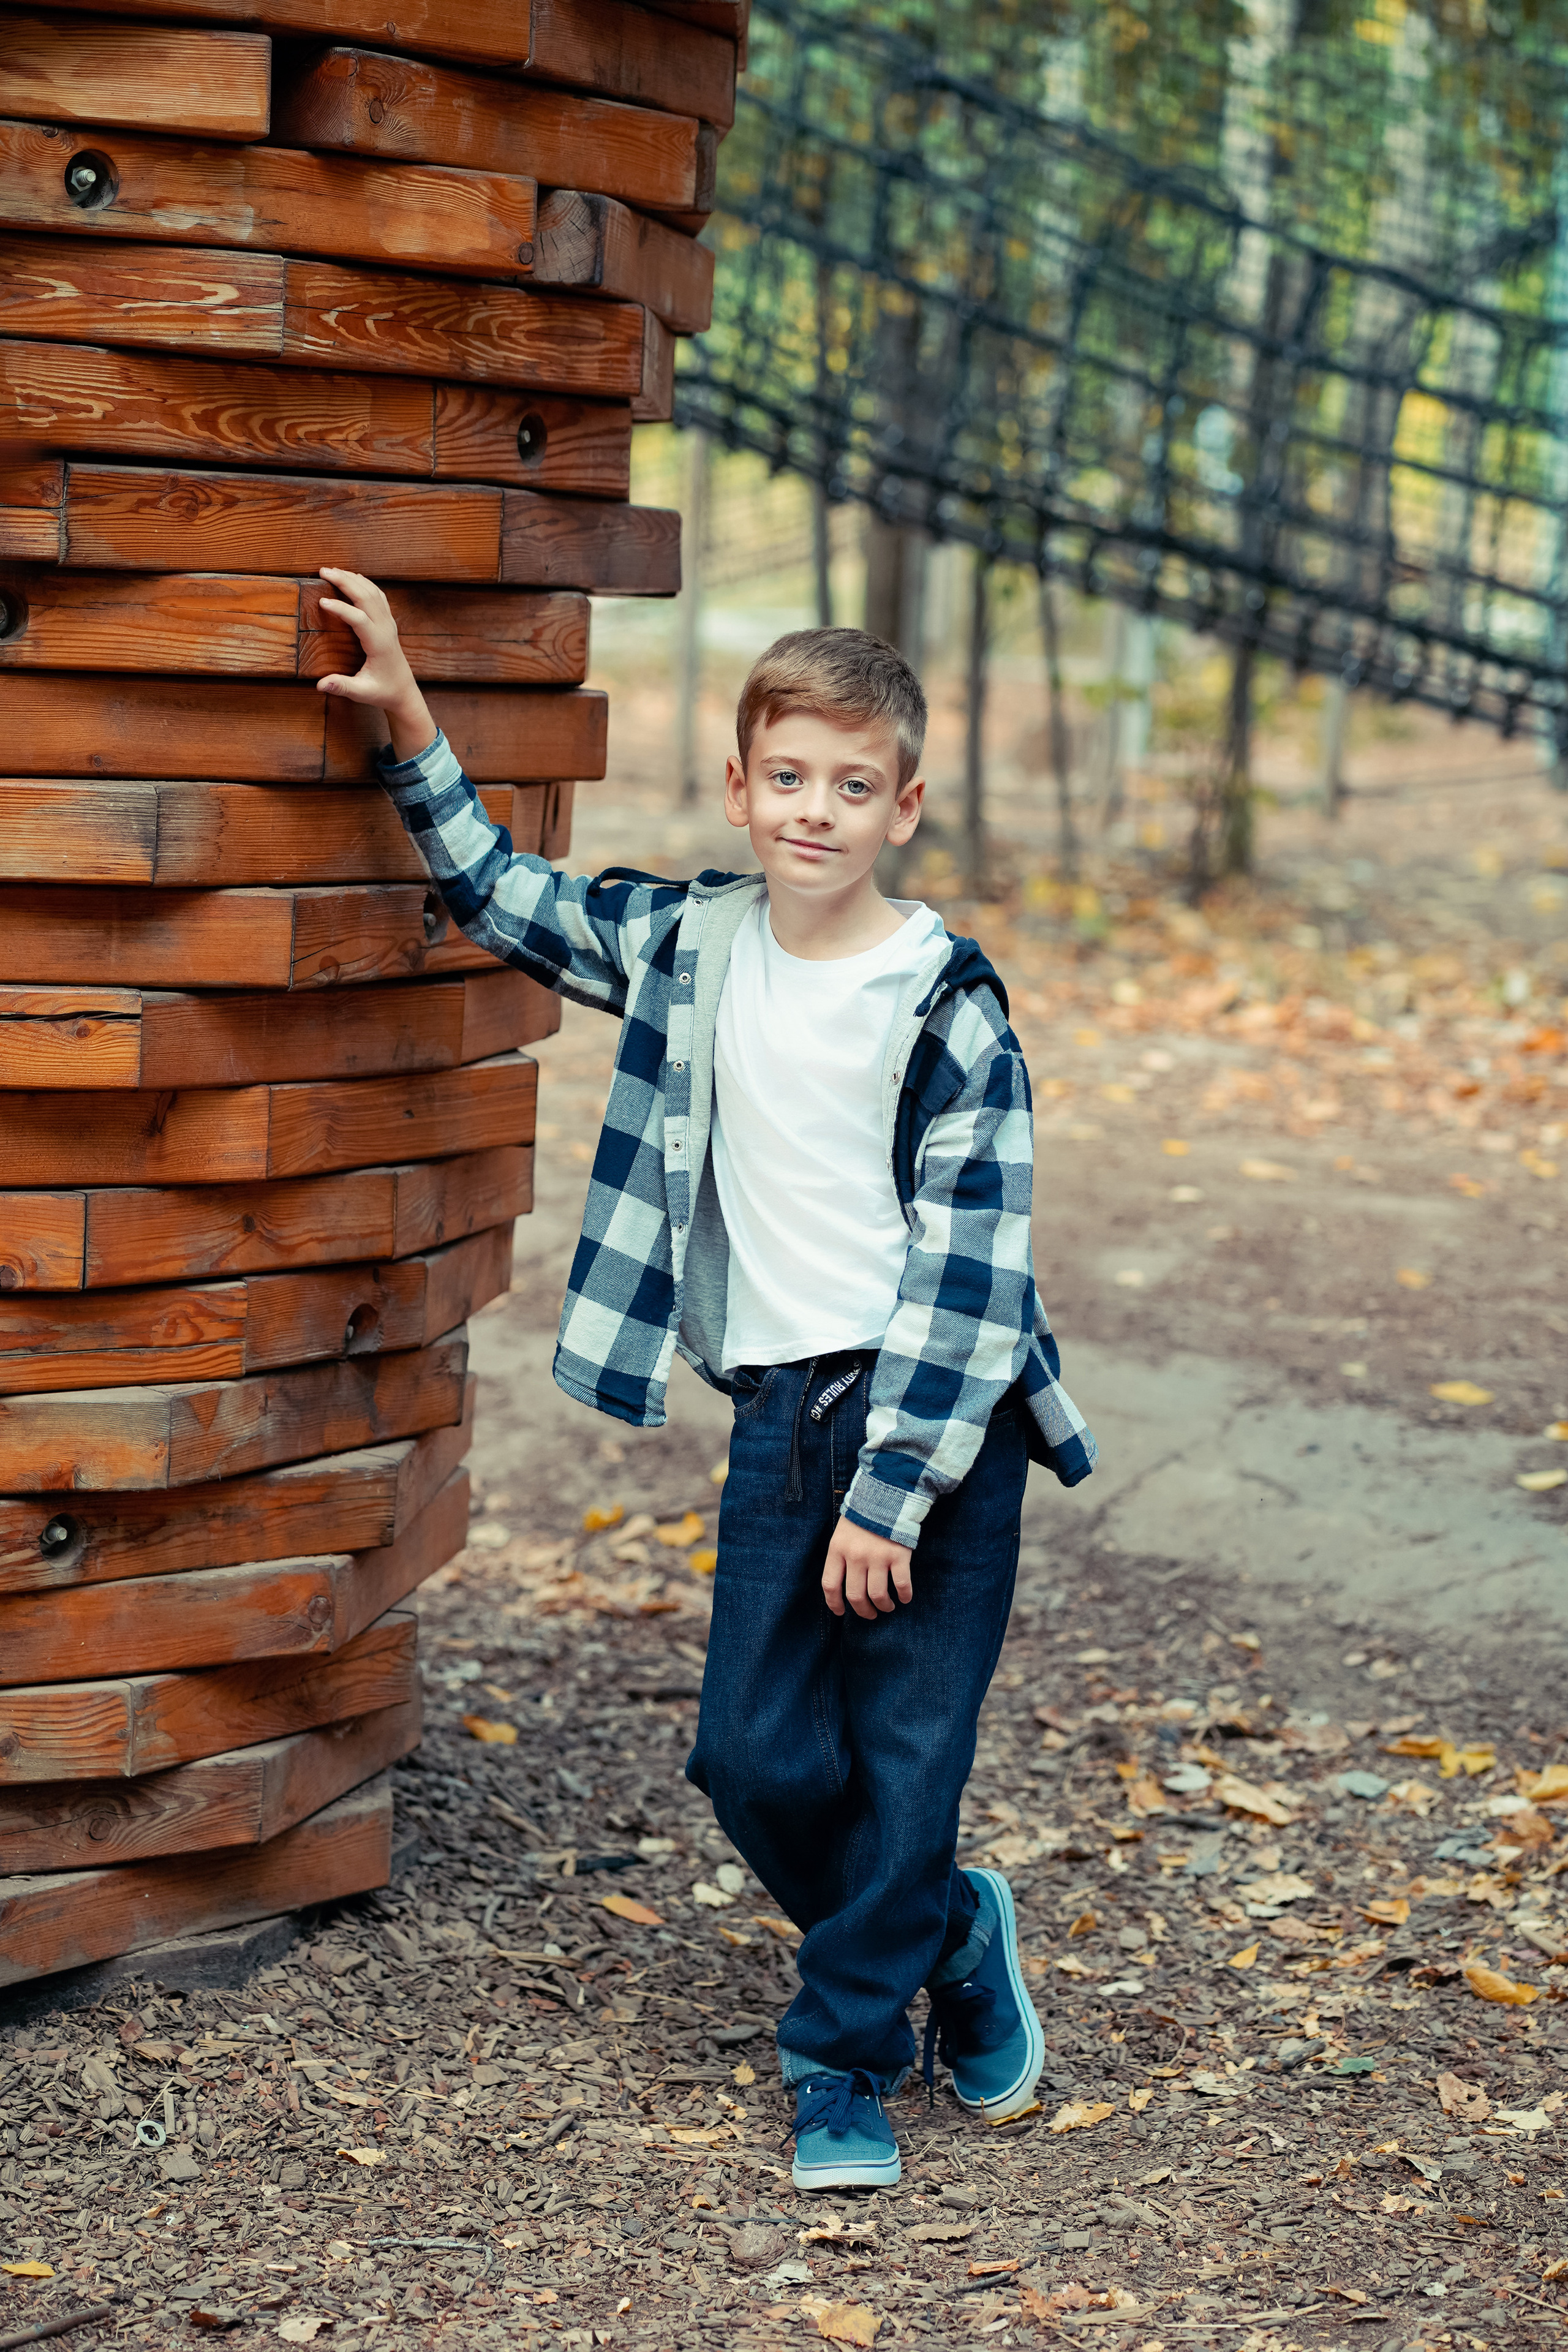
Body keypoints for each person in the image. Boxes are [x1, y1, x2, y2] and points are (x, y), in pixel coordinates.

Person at [314, 565, 1096, 2192]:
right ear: (740, 789)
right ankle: (946, 1922)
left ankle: (842, 2063)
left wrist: (896, 1488)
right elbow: (503, 899)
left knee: (906, 1754)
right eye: (790, 777)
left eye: (855, 786)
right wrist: (408, 729)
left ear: (907, 807)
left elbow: (978, 1267)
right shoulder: (692, 946)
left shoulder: (947, 1005)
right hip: (781, 1418)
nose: (818, 811)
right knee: (746, 1753)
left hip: (938, 1431)